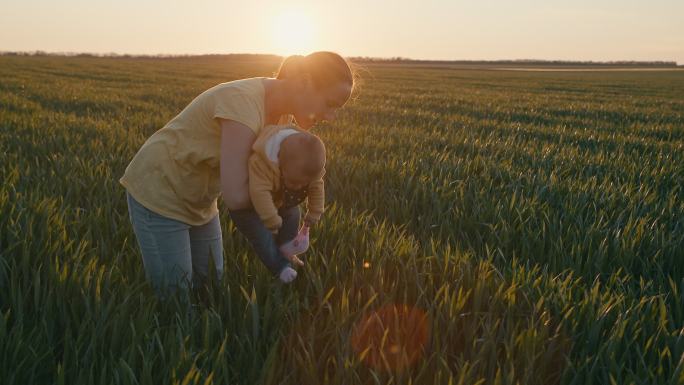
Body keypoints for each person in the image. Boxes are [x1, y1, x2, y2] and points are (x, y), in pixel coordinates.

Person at [120, 51, 354, 299]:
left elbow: (262, 178)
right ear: (305, 82)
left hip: (200, 200)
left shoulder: (283, 115)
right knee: (176, 295)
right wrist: (285, 206)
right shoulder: (242, 104)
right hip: (159, 192)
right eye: (330, 105)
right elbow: (237, 196)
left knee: (211, 286)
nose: (330, 117)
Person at [246, 124, 326, 283]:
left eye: (302, 184)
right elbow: (259, 192)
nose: (297, 187)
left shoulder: (307, 168)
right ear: (280, 160)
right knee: (262, 234)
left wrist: (315, 212)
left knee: (293, 212)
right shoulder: (262, 162)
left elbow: (317, 187)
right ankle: (278, 267)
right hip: (257, 203)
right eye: (294, 182)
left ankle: (286, 247)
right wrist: (271, 219)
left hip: (281, 199)